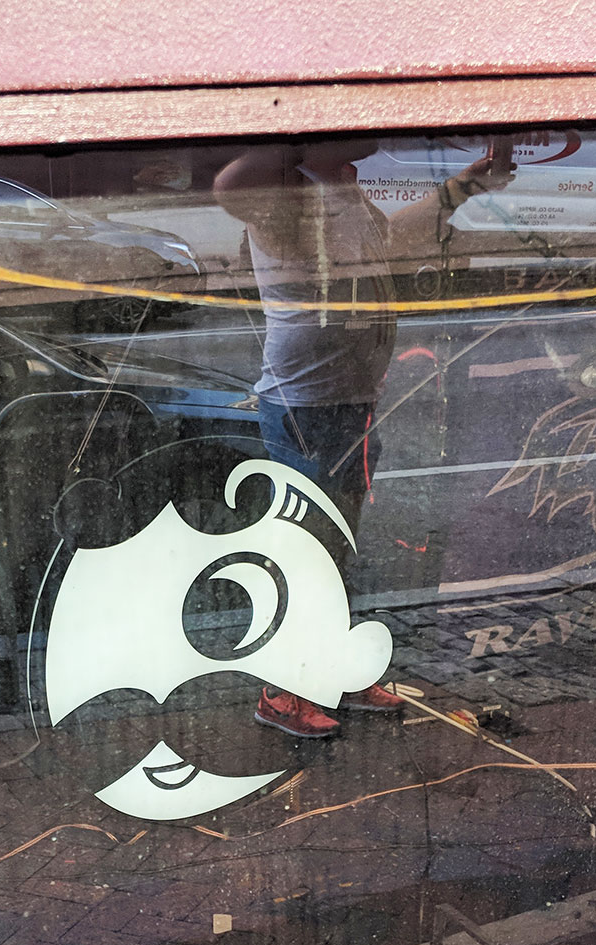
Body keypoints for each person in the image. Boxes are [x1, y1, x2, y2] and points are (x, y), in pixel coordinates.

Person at [214, 137, 513, 736]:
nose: (378, 128)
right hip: (306, 408)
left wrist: (464, 186)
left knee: (335, 549)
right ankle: (280, 693)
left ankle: (336, 671)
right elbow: (230, 187)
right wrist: (298, 129)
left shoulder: (344, 190)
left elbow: (392, 241)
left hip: (349, 403)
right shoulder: (289, 197)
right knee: (307, 555)